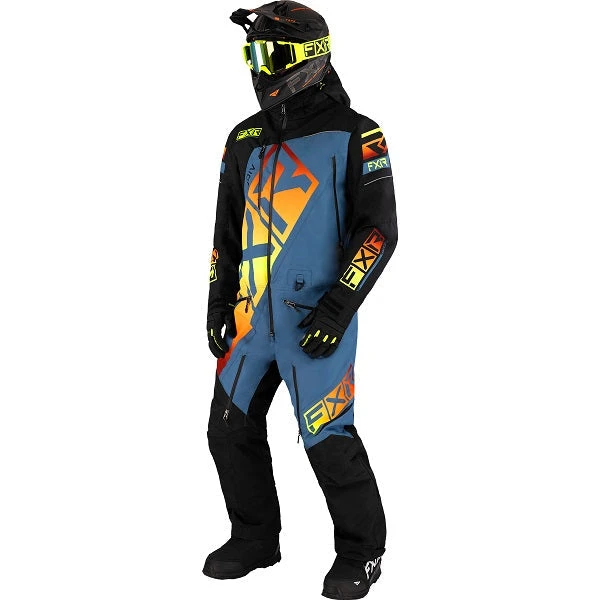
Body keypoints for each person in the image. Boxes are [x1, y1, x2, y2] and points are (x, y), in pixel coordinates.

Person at [204, 2, 397, 598]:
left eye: (270, 54)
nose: (258, 67)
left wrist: (337, 309)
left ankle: (362, 552)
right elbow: (226, 231)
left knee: (328, 441)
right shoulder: (243, 138)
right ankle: (255, 538)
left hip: (317, 321)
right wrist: (217, 301)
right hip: (248, 323)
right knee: (227, 431)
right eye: (252, 53)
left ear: (309, 58)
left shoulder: (358, 134)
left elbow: (378, 233)